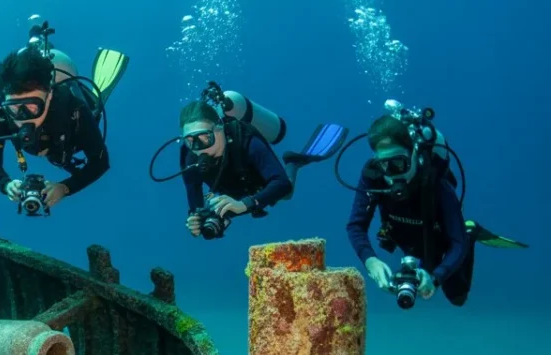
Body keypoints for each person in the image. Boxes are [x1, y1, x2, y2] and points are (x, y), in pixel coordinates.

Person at [344, 113, 527, 307]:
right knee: (419, 273)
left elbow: (457, 242)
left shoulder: (433, 179)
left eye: (399, 162)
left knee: (457, 297)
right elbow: (356, 225)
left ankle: (470, 230)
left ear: (413, 153)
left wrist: (437, 278)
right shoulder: (373, 177)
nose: (393, 173)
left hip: (440, 237)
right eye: (385, 164)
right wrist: (370, 260)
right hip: (405, 239)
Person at [0, 20, 129, 211]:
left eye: (32, 106)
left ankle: (41, 45)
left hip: (69, 128)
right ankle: (35, 43)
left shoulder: (74, 109)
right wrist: (6, 184)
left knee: (94, 109)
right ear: (4, 101)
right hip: (55, 144)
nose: (24, 117)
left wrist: (65, 187)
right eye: (15, 108)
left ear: (49, 95)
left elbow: (100, 162)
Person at [180, 95, 348, 237]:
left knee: (287, 194)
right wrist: (196, 220)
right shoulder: (189, 157)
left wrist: (246, 204)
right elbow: (195, 203)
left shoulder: (245, 140)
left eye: (204, 138)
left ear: (220, 129)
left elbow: (282, 184)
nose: (199, 148)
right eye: (190, 141)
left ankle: (293, 162)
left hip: (257, 181)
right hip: (231, 191)